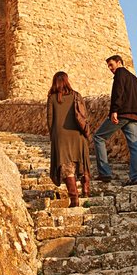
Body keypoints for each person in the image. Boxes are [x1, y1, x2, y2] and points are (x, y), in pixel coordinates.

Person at [93, 55, 137, 185]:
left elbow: (118, 92)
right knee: (134, 146)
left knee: (99, 137)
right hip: (135, 115)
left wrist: (114, 111)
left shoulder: (120, 73)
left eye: (111, 65)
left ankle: (104, 173)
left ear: (119, 62)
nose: (110, 68)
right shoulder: (134, 79)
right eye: (109, 66)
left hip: (122, 113)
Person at [47, 71, 92, 208]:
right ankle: (85, 189)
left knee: (67, 167)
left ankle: (74, 199)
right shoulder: (76, 96)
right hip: (77, 135)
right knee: (81, 161)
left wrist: (53, 135)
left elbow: (50, 119)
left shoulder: (52, 98)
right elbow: (84, 115)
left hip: (61, 136)